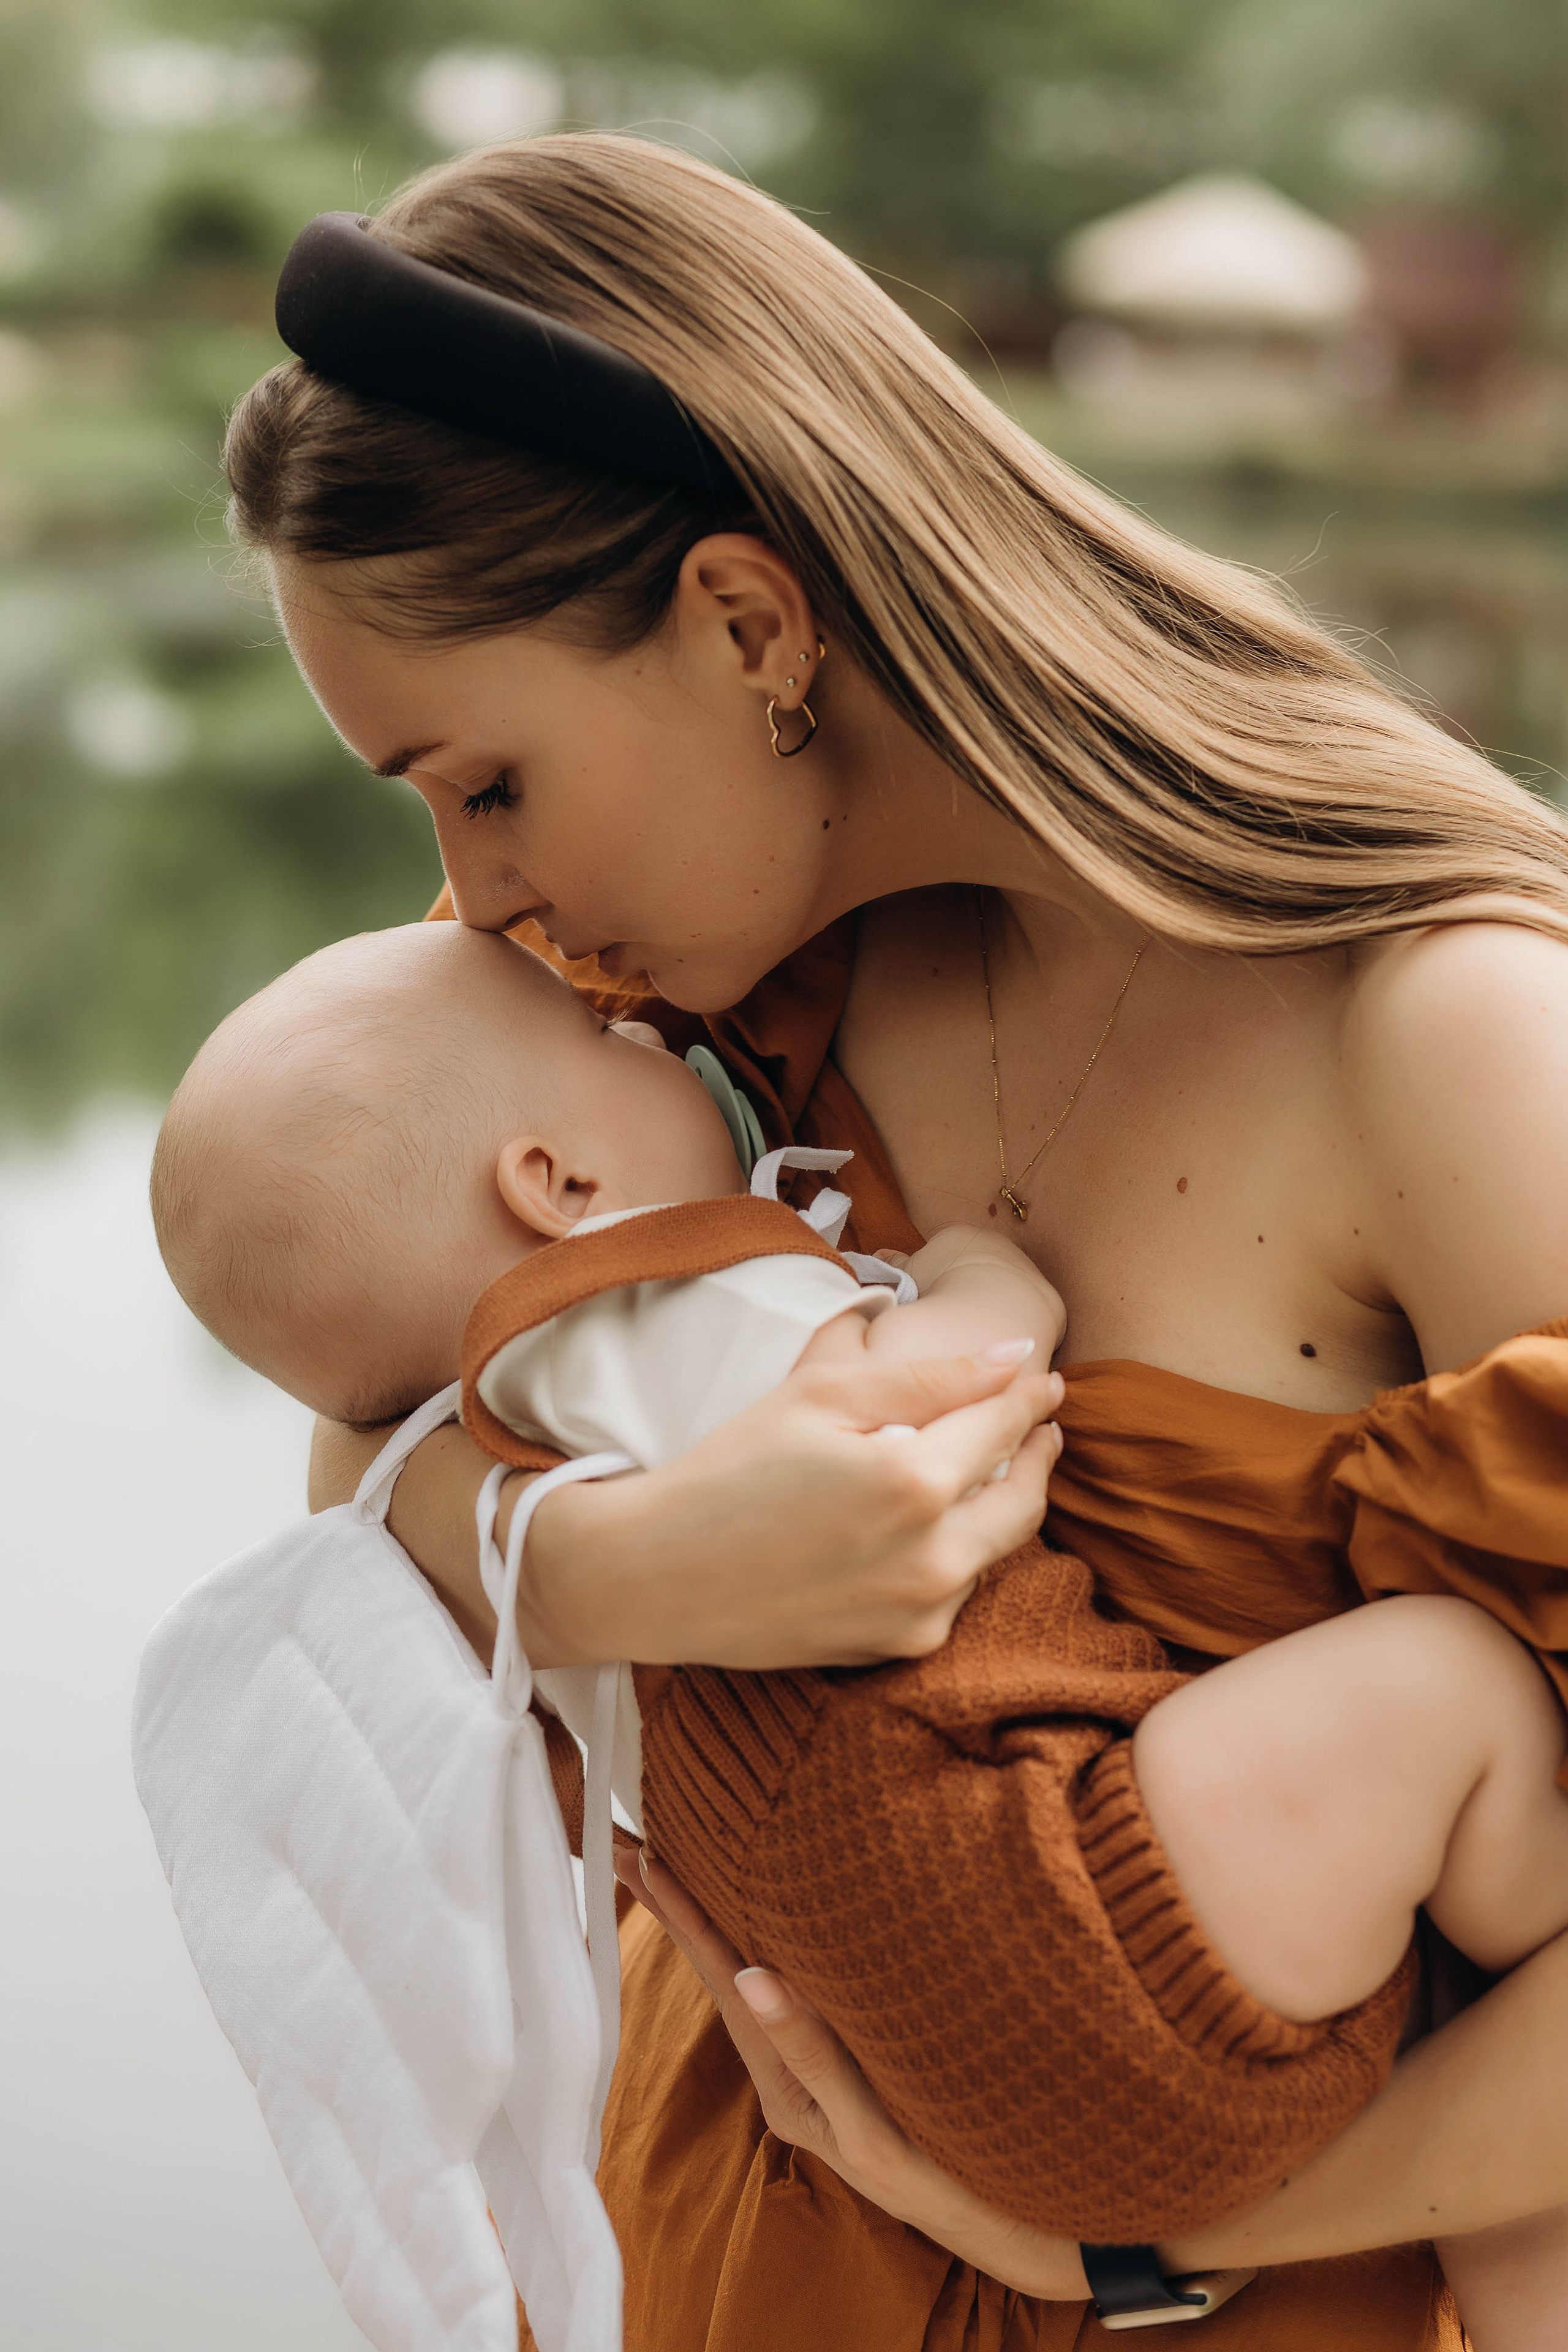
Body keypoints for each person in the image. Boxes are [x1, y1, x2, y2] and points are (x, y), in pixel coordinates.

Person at [219, 132, 1568, 2350]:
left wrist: (1120, 2238)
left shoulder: (1454, 1040)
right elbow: (359, 1461)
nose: (469, 901)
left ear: (750, 625)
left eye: (487, 787)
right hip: (696, 2253)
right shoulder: (693, 997)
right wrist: (649, 1567)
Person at [154, 918, 1568, 2345]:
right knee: (1458, 1697)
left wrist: (553, 1571)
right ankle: (1517, 1955)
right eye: (597, 1044)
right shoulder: (659, 1294)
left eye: (487, 782)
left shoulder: (509, 1345)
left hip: (912, 2062)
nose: (621, 1022)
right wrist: (975, 1276)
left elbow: (373, 1457)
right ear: (556, 1181)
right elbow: (951, 1370)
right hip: (1079, 1933)